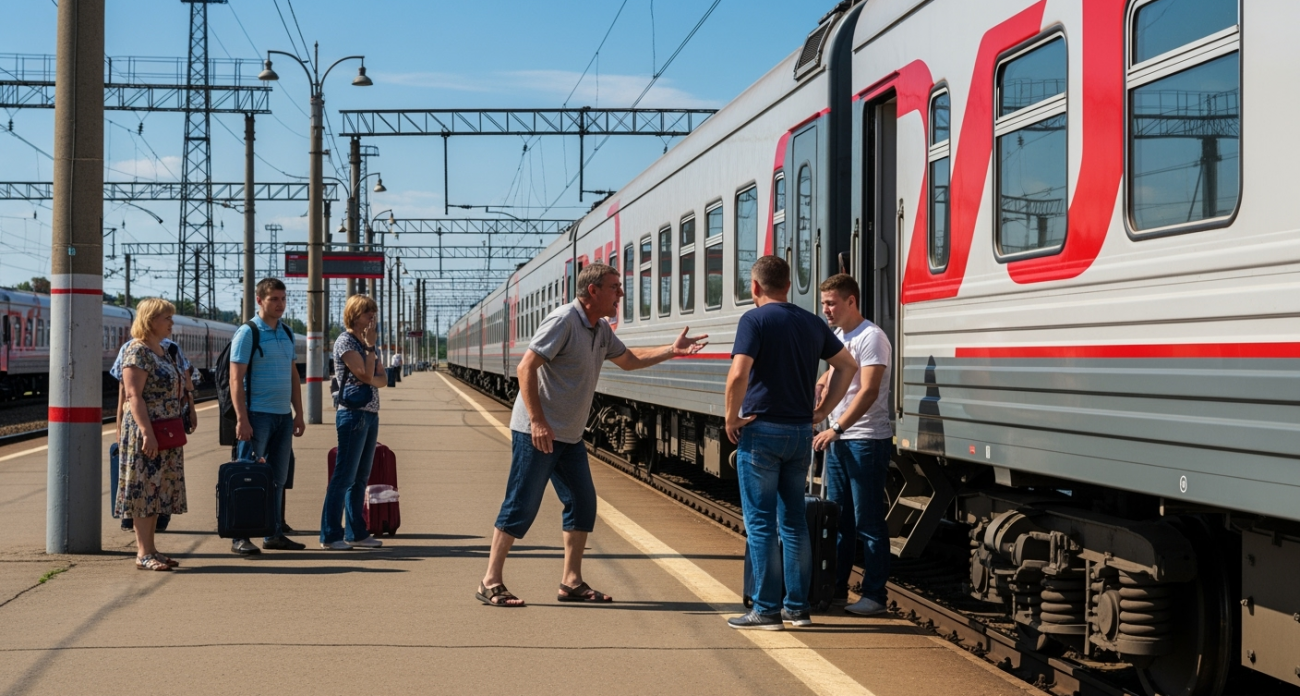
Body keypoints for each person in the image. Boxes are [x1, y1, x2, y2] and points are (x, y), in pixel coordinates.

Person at [477, 263, 707, 607]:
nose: (621, 293)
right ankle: (490, 581)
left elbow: (628, 359)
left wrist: (672, 350)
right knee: (521, 503)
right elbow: (526, 367)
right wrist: (538, 421)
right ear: (592, 291)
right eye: (615, 287)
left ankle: (571, 582)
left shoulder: (599, 328)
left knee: (583, 504)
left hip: (568, 434)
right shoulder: (563, 321)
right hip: (537, 432)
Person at [724, 256, 858, 630]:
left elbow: (738, 374)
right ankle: (797, 609)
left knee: (761, 524)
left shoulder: (755, 319)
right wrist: (822, 412)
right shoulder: (812, 322)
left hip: (762, 431)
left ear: (755, 287)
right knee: (795, 523)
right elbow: (848, 365)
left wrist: (731, 417)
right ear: (788, 284)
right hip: (800, 432)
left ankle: (766, 610)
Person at [812, 274, 893, 616]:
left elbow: (869, 390)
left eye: (831, 303)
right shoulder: (839, 336)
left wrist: (837, 428)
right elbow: (834, 375)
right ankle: (837, 589)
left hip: (865, 440)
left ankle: (874, 595)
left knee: (868, 522)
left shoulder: (871, 337)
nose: (826, 310)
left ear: (851, 301)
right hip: (842, 439)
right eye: (823, 303)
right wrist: (821, 383)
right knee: (838, 520)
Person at [229, 277, 307, 555]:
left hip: (282, 417)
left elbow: (293, 375)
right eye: (274, 299)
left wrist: (298, 413)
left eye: (283, 299)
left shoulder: (286, 332)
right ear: (259, 300)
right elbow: (235, 379)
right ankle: (241, 536)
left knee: (277, 478)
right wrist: (242, 419)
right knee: (248, 475)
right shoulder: (248, 332)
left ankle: (272, 533)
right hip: (257, 415)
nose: (280, 304)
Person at [116, 298, 190, 571]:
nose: (171, 322)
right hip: (146, 431)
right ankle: (143, 553)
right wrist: (147, 433)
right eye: (166, 318)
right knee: (143, 490)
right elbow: (133, 396)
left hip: (165, 429)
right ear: (150, 320)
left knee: (157, 490)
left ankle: (152, 550)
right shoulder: (137, 352)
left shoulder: (163, 351)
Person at [320, 294, 387, 550]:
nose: (372, 318)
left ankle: (356, 532)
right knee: (343, 477)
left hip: (369, 414)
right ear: (354, 315)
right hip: (352, 414)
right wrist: (370, 352)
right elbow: (365, 374)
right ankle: (330, 535)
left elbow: (382, 379)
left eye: (373, 313)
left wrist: (371, 367)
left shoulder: (365, 342)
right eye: (367, 313)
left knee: (360, 478)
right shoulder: (346, 342)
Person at [112, 335, 196, 532]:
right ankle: (135, 523)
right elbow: (125, 391)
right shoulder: (133, 349)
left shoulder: (170, 349)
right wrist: (119, 426)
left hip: (169, 426)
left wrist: (190, 408)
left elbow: (187, 382)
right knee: (142, 479)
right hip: (146, 427)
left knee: (164, 477)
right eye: (166, 318)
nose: (170, 323)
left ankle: (159, 520)